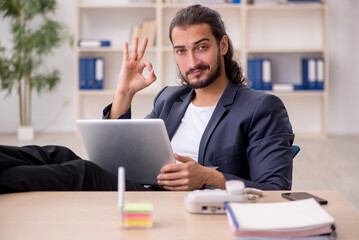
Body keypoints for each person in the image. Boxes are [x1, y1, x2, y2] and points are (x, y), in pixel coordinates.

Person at [0, 4, 294, 193]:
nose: (192, 60)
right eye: (181, 50)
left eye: (201, 47)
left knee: (82, 172)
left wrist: (208, 177)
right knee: (56, 153)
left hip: (175, 204)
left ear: (223, 45)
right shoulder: (170, 98)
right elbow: (124, 150)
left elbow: (275, 190)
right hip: (141, 185)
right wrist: (124, 93)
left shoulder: (260, 107)